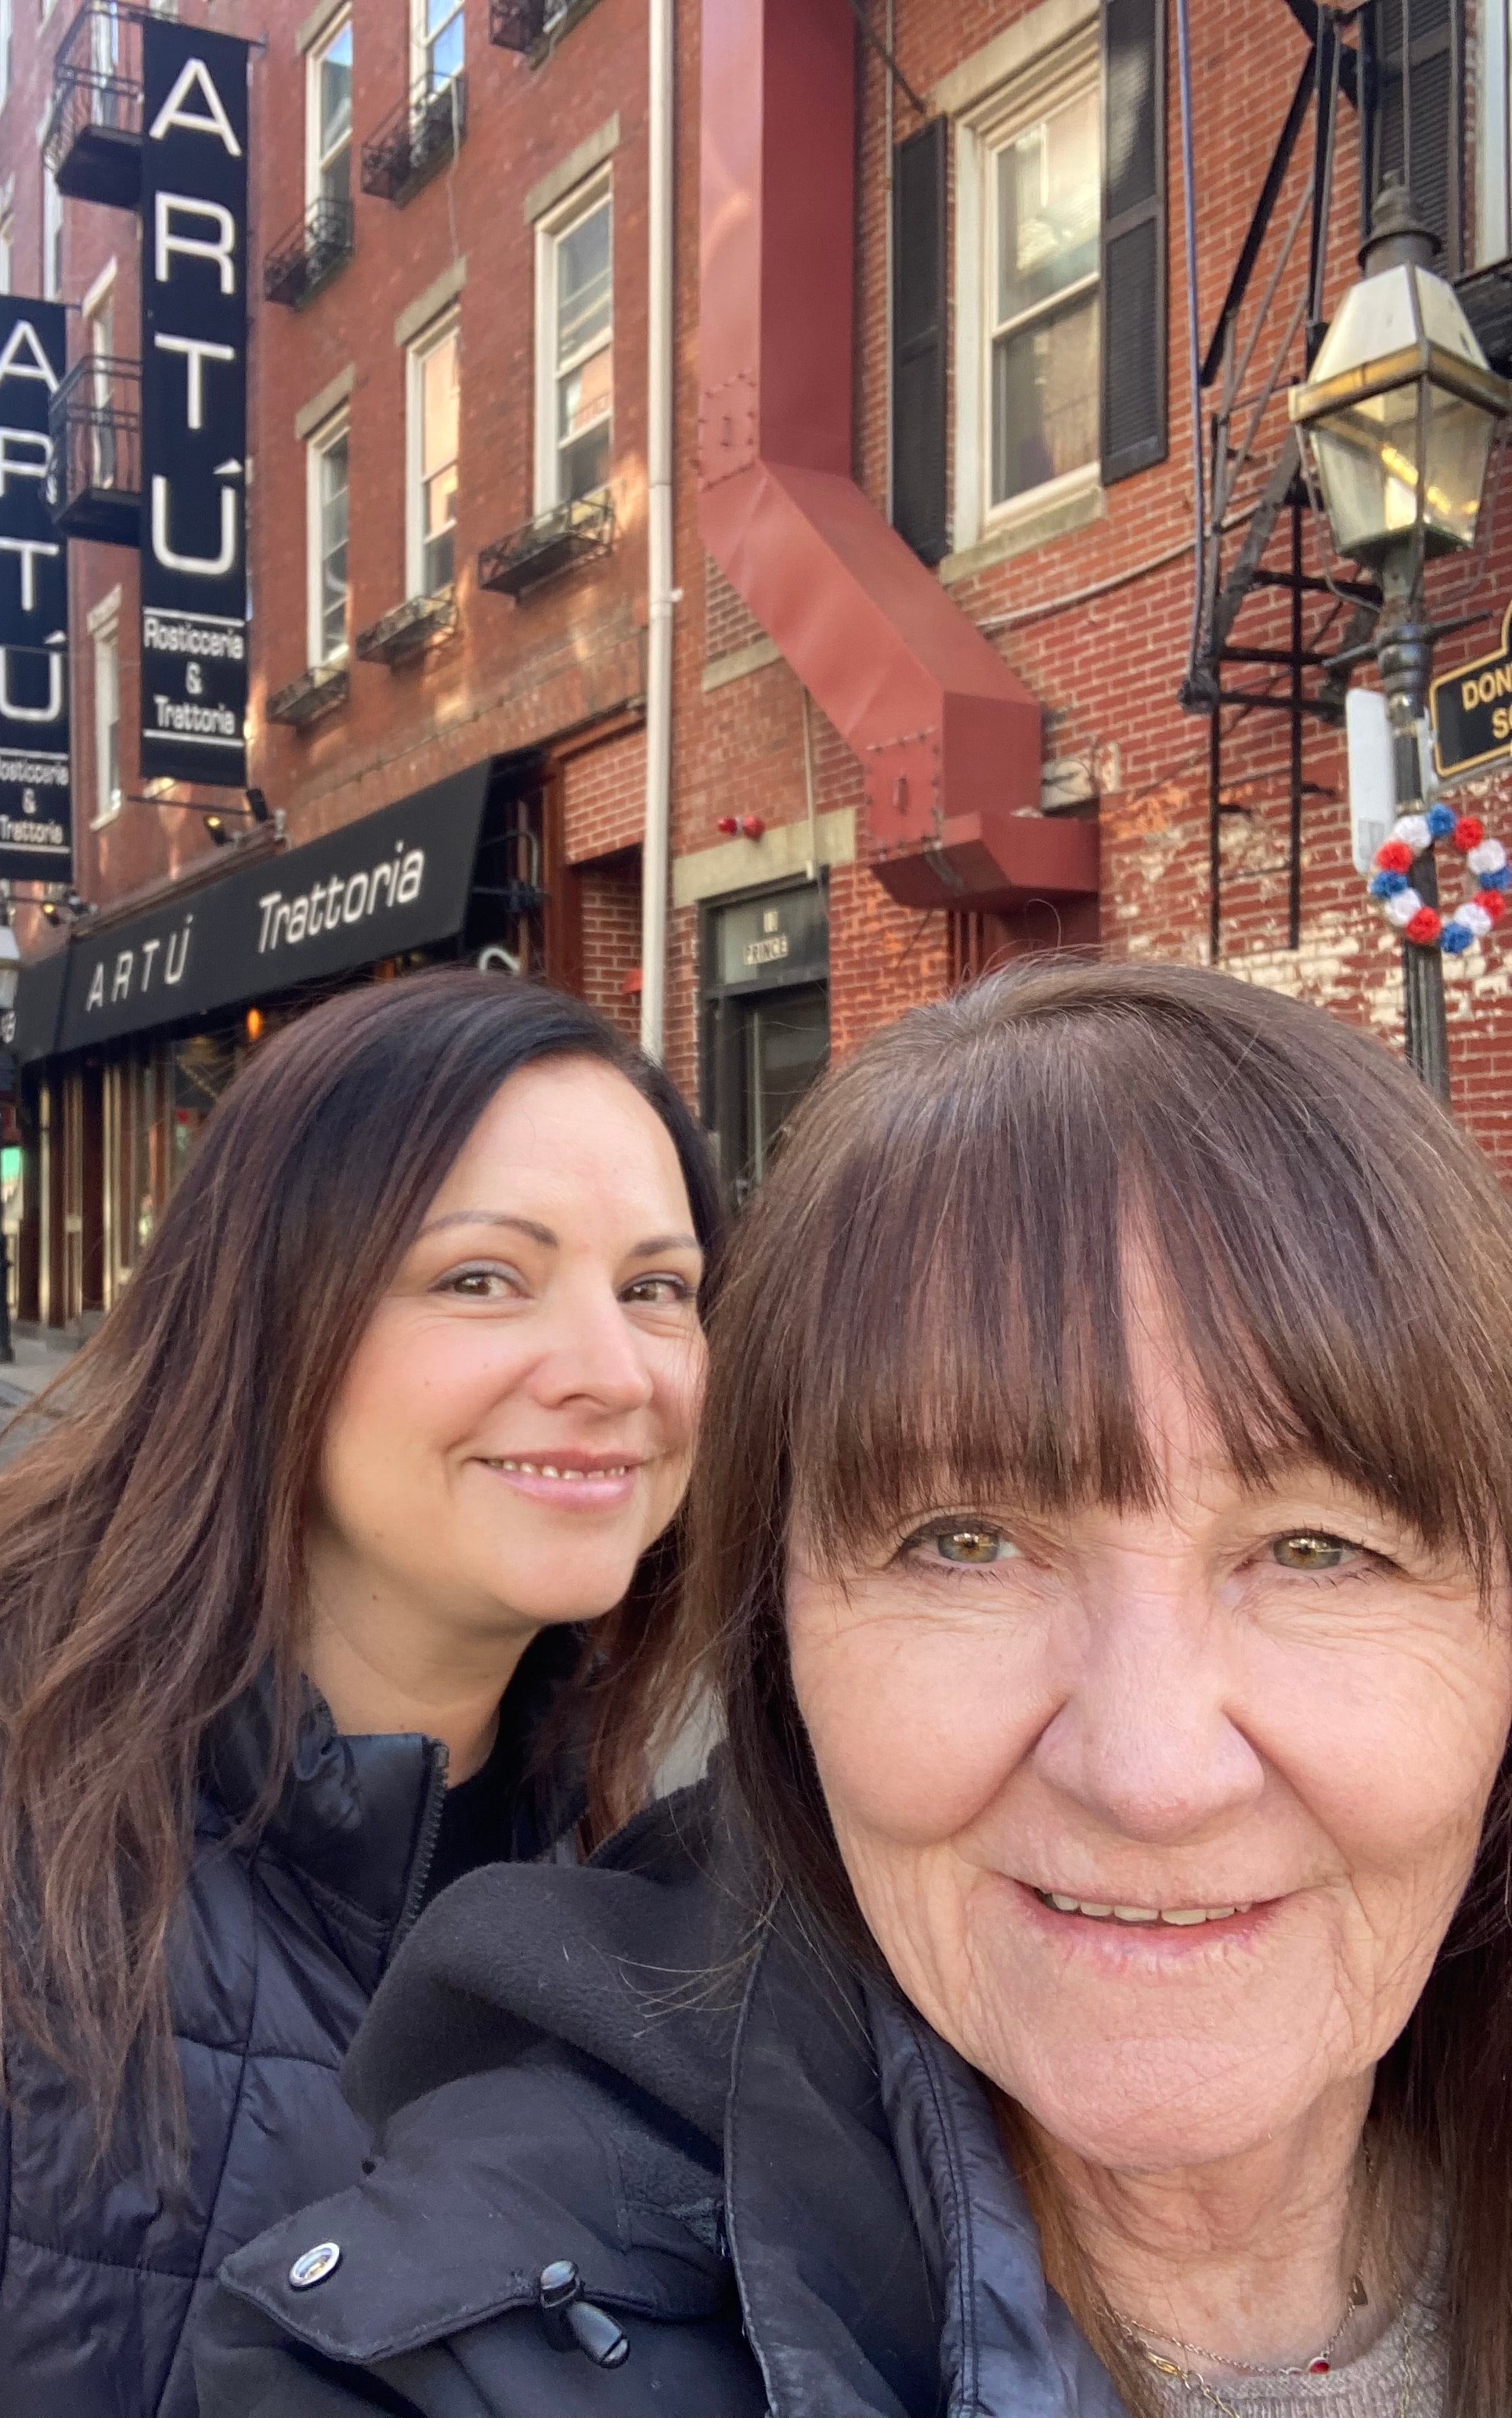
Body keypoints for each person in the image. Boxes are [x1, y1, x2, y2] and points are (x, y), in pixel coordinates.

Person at [200, 958, 1512, 2418]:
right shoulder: (467, 2358)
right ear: (783, 1660)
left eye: (1319, 1550)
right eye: (966, 1543)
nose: (1152, 1771)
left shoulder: (558, 1754)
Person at [0, 967, 721, 2418]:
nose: (616, 1373)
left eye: (657, 1290)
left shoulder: (639, 1898)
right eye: (481, 1278)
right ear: (266, 1318)